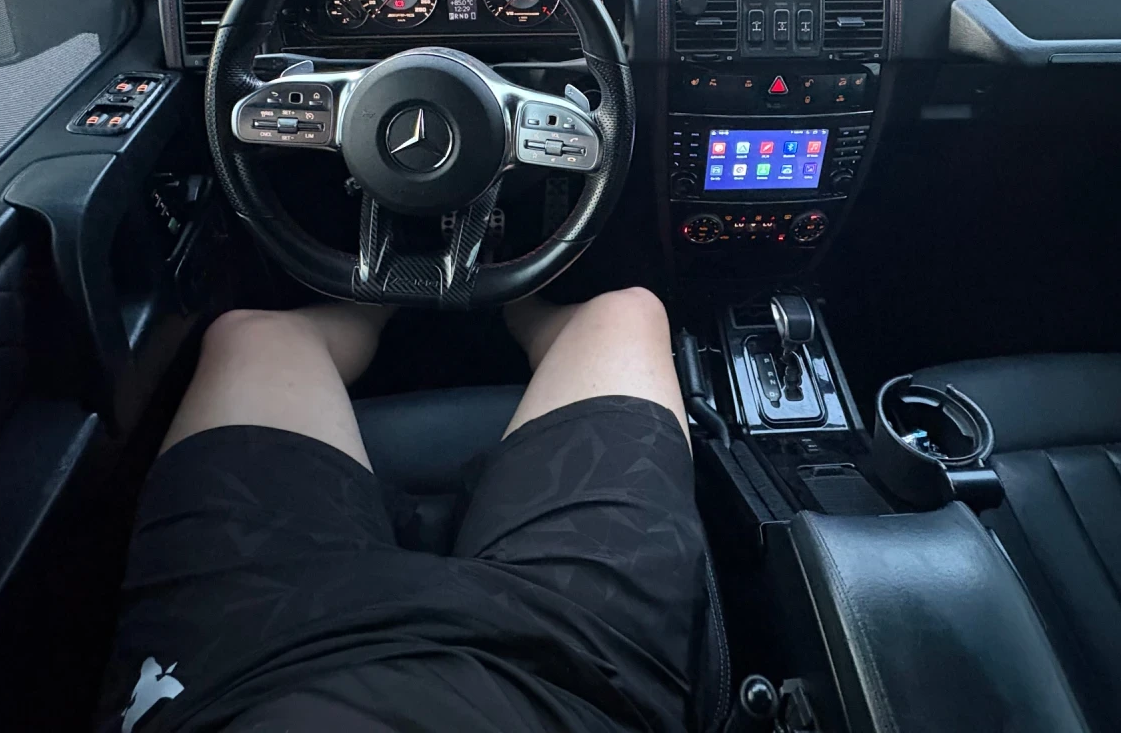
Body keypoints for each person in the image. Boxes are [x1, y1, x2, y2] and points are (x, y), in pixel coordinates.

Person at [97, 287, 704, 733]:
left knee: (253, 335)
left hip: (241, 680)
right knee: (624, 313)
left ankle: (386, 285)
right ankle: (514, 293)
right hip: (564, 685)